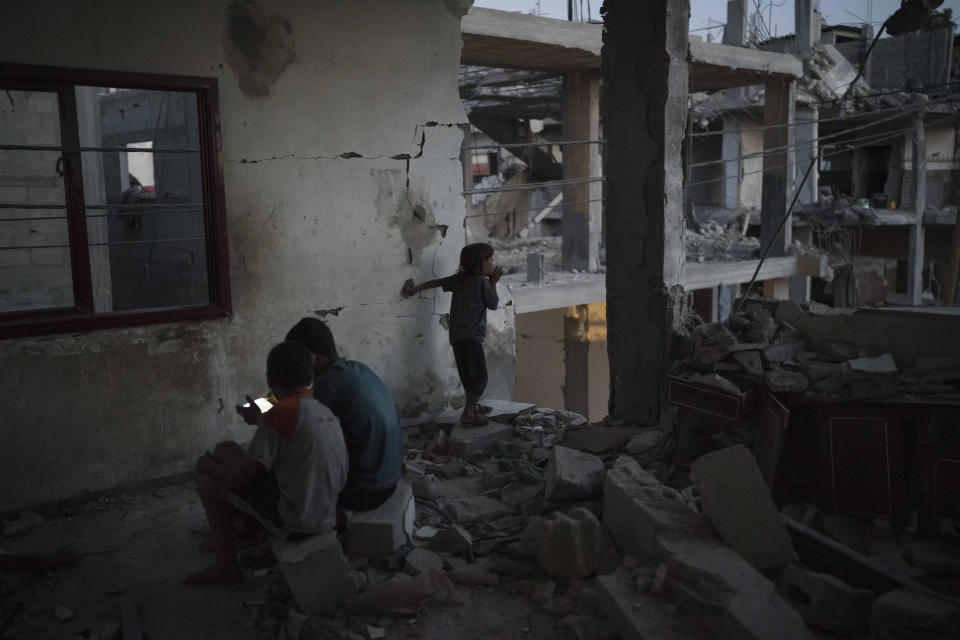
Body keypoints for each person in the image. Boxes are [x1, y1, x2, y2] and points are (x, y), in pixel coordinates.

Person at [183, 341, 348, 585]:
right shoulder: (321, 410)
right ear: (310, 377)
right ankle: (248, 529)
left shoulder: (281, 413)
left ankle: (226, 567)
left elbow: (240, 478)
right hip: (327, 511)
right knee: (228, 450)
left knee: (208, 483)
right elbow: (278, 414)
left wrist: (205, 466)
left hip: (299, 523)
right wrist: (259, 414)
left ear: (270, 378)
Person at [285, 318, 403, 512]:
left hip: (366, 494)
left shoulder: (328, 384)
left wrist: (261, 417)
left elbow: (295, 425)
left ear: (312, 358)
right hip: (390, 481)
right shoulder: (356, 369)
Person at [401, 242, 502, 426]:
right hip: (472, 338)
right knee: (479, 377)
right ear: (480, 263)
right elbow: (493, 303)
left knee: (467, 374)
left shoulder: (459, 279)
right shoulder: (482, 283)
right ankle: (469, 414)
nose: (493, 262)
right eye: (490, 259)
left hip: (457, 337)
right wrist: (493, 283)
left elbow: (437, 282)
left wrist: (413, 290)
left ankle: (473, 406)